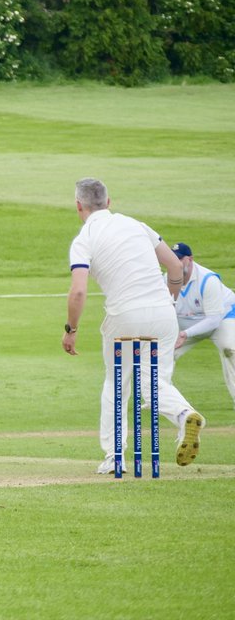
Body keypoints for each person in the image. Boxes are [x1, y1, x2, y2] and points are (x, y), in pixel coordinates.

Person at [61, 179, 204, 474]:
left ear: (78, 206)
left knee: (117, 383)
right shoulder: (137, 225)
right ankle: (184, 414)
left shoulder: (84, 239)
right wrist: (170, 302)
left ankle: (115, 457)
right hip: (164, 312)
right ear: (109, 202)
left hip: (124, 314)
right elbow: (175, 268)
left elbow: (78, 292)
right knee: (152, 382)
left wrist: (70, 330)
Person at [169, 242, 235, 409]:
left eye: (179, 259)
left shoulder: (208, 279)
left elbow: (213, 320)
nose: (175, 263)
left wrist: (185, 334)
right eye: (172, 259)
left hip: (222, 318)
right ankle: (161, 400)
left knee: (230, 349)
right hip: (187, 324)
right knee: (164, 353)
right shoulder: (167, 280)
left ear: (189, 259)